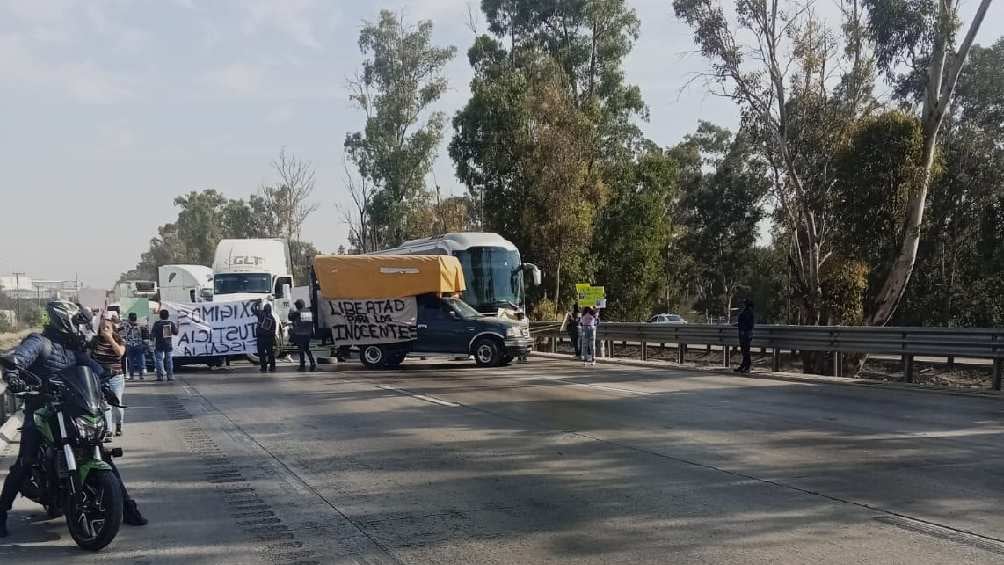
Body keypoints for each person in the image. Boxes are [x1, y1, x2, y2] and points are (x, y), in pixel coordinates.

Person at [0, 301, 147, 537]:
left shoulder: (73, 349)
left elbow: (94, 369)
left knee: (101, 453)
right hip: (41, 411)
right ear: (62, 319)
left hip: (71, 410)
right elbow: (18, 360)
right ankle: (1, 512)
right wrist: (13, 374)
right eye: (77, 322)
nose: (81, 327)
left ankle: (126, 507)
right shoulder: (39, 342)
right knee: (25, 461)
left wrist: (105, 383)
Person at [92, 315, 126, 436]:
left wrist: (110, 339)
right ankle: (108, 430)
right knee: (105, 405)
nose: (105, 330)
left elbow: (120, 353)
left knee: (117, 404)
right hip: (101, 377)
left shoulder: (119, 340)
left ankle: (119, 425)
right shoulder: (94, 342)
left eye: (107, 327)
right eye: (102, 328)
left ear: (112, 329)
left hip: (116, 377)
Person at [288, 299, 316, 372]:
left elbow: (290, 317)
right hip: (308, 334)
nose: (296, 307)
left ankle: (302, 365)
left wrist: (290, 311)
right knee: (306, 349)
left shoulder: (298, 312)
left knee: (301, 350)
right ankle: (312, 362)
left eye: (296, 305)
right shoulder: (309, 312)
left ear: (299, 305)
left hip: (300, 334)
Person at [151, 309, 178, 382]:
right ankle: (170, 376)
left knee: (159, 360)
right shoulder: (170, 323)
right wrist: (177, 326)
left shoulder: (157, 324)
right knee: (169, 360)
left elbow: (152, 334)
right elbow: (175, 332)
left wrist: (152, 342)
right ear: (168, 316)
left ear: (160, 316)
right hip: (168, 344)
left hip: (159, 344)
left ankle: (159, 376)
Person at [121, 312, 149, 381]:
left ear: (129, 318)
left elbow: (122, 334)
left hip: (129, 345)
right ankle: (141, 375)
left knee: (131, 362)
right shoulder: (140, 325)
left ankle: (131, 376)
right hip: (139, 345)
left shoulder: (125, 326)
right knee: (140, 361)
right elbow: (145, 335)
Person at [735, 299, 756, 373]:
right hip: (744, 333)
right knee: (744, 350)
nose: (743, 305)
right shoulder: (746, 312)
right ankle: (744, 365)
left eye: (745, 304)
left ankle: (747, 366)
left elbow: (748, 324)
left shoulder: (748, 312)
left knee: (746, 350)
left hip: (746, 334)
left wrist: (743, 329)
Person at [256, 303, 277, 373]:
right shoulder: (272, 319)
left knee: (262, 354)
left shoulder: (261, 316)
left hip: (261, 338)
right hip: (269, 339)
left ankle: (264, 367)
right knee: (270, 353)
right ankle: (272, 367)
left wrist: (256, 303)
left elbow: (254, 311)